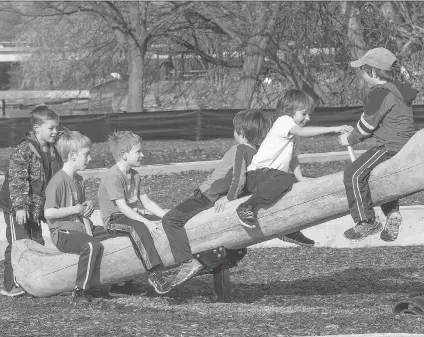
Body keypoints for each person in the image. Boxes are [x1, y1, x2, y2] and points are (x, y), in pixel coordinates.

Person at [157, 109, 271, 294]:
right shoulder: (256, 153)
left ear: (241, 133)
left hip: (206, 196)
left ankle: (187, 262)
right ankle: (211, 262)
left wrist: (228, 197)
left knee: (170, 220)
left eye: (235, 130)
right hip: (212, 196)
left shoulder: (240, 149)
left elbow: (239, 178)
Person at [236, 89, 353, 229]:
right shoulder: (284, 121)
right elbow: (302, 132)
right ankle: (246, 206)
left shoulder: (293, 133)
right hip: (257, 175)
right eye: (304, 114)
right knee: (284, 179)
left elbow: (293, 158)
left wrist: (301, 178)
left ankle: (290, 227)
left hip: (273, 176)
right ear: (289, 110)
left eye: (309, 114)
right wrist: (335, 128)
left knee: (306, 181)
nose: (308, 118)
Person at [339, 47, 417, 241]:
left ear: (373, 72)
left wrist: (348, 139)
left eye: (363, 71)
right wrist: (358, 131)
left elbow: (366, 126)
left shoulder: (379, 93)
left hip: (389, 146)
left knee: (353, 174)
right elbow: (375, 122)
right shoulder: (396, 90)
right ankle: (392, 214)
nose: (362, 75)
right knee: (379, 178)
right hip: (404, 146)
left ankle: (366, 221)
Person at [0, 105, 62, 297]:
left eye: (57, 128)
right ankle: (12, 284)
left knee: (36, 242)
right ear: (36, 129)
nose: (55, 132)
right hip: (16, 207)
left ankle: (34, 281)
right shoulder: (24, 150)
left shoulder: (52, 150)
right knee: (19, 244)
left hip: (34, 207)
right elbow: (17, 180)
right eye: (51, 128)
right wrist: (19, 207)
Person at [98, 131, 168, 296]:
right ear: (124, 155)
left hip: (131, 214)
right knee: (140, 227)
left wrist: (166, 217)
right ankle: (154, 273)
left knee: (161, 222)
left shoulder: (135, 175)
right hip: (114, 218)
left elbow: (148, 203)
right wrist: (146, 222)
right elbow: (122, 208)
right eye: (138, 152)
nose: (142, 155)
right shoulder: (113, 176)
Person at [44, 129, 105, 303]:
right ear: (72, 155)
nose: (90, 159)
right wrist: (75, 209)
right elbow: (48, 213)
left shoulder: (79, 180)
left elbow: (81, 206)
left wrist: (88, 205)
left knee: (116, 234)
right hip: (63, 233)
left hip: (82, 228)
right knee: (92, 246)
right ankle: (80, 291)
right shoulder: (57, 181)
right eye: (86, 154)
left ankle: (121, 283)